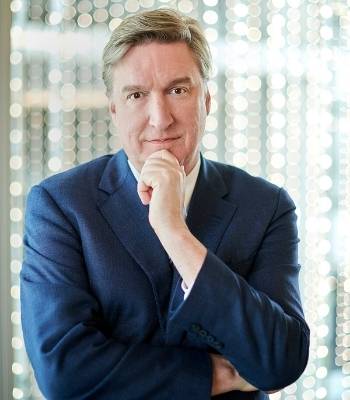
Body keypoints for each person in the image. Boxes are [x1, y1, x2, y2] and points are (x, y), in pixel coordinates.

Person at [20, 8, 310, 400]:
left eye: (178, 90)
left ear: (206, 99)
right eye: (137, 95)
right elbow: (63, 372)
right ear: (114, 109)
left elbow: (281, 361)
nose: (160, 119)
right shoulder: (60, 205)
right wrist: (216, 376)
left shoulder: (267, 206)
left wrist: (174, 231)